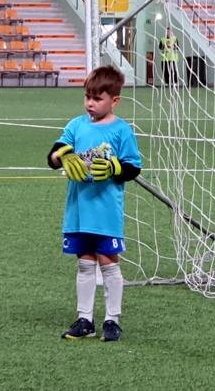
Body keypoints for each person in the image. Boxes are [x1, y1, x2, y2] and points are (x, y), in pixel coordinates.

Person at [47, 65, 142, 342]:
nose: (90, 103)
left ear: (115, 100)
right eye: (87, 96)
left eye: (97, 98)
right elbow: (53, 156)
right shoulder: (76, 125)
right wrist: (62, 157)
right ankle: (84, 319)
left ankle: (112, 320)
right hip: (78, 212)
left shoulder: (122, 130)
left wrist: (115, 168)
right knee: (85, 263)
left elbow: (133, 168)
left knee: (108, 262)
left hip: (106, 212)